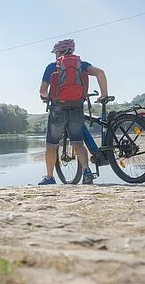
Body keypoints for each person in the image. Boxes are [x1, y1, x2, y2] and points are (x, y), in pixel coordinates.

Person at [38, 39, 109, 185]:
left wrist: (48, 96)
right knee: (78, 143)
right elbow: (100, 72)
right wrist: (104, 93)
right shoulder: (82, 65)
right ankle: (87, 172)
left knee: (51, 145)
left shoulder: (53, 66)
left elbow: (42, 91)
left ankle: (50, 178)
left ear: (59, 52)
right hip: (77, 107)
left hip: (58, 109)